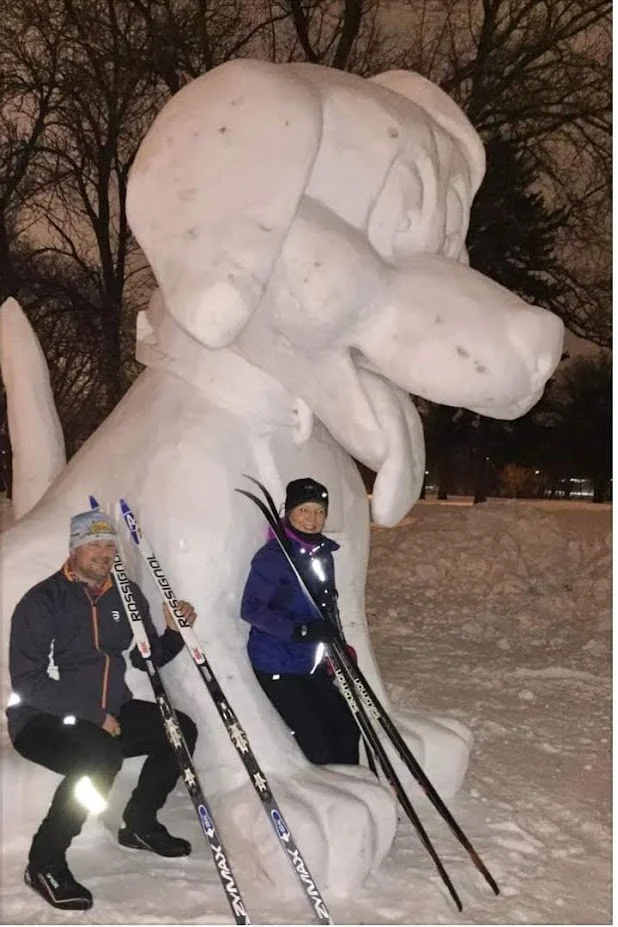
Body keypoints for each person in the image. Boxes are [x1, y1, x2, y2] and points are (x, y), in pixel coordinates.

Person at [7, 510, 199, 912]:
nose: (104, 552)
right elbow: (29, 682)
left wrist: (173, 632)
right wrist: (95, 715)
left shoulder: (124, 594)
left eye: (110, 544)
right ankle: (44, 862)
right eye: (94, 543)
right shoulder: (42, 601)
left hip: (108, 712)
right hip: (42, 720)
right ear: (74, 547)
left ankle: (140, 824)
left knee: (178, 729)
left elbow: (148, 657)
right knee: (100, 758)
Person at [241, 477, 360, 767]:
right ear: (289, 512)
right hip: (277, 664)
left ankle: (355, 794)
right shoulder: (273, 558)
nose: (312, 519)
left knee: (346, 728)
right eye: (304, 510)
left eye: (319, 511)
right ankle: (329, 800)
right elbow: (251, 609)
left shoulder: (322, 555)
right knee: (317, 741)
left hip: (309, 663)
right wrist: (299, 631)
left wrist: (336, 645)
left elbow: (324, 606)